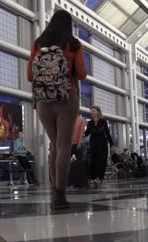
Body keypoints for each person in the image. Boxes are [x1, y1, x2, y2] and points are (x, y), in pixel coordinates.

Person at [27, 10, 87, 209]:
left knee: (54, 144)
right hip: (66, 98)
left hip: (43, 101)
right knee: (63, 146)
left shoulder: (39, 42)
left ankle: (54, 189)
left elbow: (29, 75)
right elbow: (83, 74)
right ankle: (60, 194)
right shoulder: (73, 43)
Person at [85, 106, 114, 188]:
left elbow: (108, 134)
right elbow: (87, 132)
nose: (92, 112)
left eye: (93, 111)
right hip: (93, 144)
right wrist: (83, 135)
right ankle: (95, 178)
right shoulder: (90, 122)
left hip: (102, 144)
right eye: (91, 111)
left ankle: (100, 179)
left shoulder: (103, 122)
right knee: (93, 161)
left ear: (98, 112)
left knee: (101, 161)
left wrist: (112, 145)